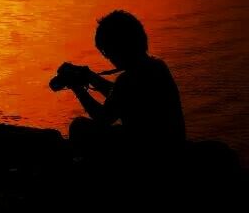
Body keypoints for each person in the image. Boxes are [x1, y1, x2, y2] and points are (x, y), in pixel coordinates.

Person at [50, 10, 186, 162]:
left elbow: (104, 117)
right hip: (170, 145)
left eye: (107, 52)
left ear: (118, 48)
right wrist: (90, 76)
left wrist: (77, 88)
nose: (108, 58)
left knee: (79, 127)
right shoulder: (158, 66)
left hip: (148, 151)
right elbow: (122, 98)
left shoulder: (128, 79)